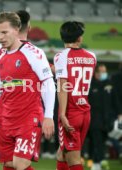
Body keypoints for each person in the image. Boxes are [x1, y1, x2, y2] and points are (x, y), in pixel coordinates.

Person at [0, 12, 55, 170]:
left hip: (28, 119)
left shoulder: (33, 53)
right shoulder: (0, 56)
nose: (0, 37)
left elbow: (48, 82)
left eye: (4, 32)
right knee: (9, 164)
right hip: (5, 120)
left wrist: (49, 115)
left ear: (17, 29)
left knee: (20, 164)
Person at [0, 10, 35, 168]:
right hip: (25, 114)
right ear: (29, 27)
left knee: (15, 163)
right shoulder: (35, 52)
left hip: (5, 114)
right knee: (11, 162)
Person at [54, 21, 97, 170]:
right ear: (80, 38)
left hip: (71, 113)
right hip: (85, 111)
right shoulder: (92, 57)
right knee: (62, 153)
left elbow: (63, 86)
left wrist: (62, 114)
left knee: (73, 159)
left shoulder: (61, 56)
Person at [88, 64, 119, 170]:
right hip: (94, 118)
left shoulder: (109, 84)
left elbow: (115, 100)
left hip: (107, 119)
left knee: (102, 140)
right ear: (96, 73)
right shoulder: (90, 85)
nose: (104, 73)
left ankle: (97, 161)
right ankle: (99, 161)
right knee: (97, 140)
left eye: (105, 71)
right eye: (101, 71)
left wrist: (119, 113)